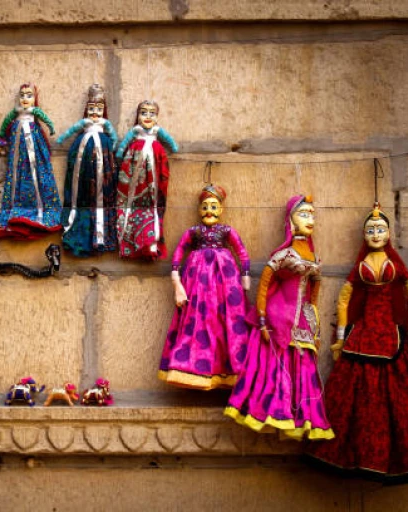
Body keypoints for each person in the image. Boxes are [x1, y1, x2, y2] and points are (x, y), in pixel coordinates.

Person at [305, 207, 408, 482]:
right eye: (370, 230)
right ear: (364, 235)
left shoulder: (396, 264)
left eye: (380, 230)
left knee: (398, 398)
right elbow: (344, 299)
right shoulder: (360, 266)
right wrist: (340, 339)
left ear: (389, 233)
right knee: (354, 397)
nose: (375, 234)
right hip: (362, 334)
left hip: (392, 335)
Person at [225, 195, 334, 441]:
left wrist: (314, 321)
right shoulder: (284, 254)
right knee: (276, 371)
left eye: (312, 214)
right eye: (304, 213)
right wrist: (262, 319)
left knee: (302, 368)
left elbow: (314, 290)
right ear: (291, 219)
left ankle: (298, 418)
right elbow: (264, 283)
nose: (310, 219)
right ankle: (274, 413)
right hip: (278, 319)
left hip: (303, 321)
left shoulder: (312, 255)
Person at [158, 185, 251, 390]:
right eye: (205, 207)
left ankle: (229, 370)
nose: (209, 211)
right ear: (200, 210)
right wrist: (176, 279)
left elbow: (242, 252)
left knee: (226, 320)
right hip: (197, 280)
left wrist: (245, 276)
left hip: (226, 280)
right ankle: (193, 368)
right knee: (197, 320)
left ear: (221, 210)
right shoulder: (193, 232)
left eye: (214, 206)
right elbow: (179, 252)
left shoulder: (227, 231)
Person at [0, 83, 61, 240]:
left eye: (29, 95)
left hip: (33, 148)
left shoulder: (35, 112)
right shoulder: (15, 113)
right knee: (15, 173)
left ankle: (40, 212)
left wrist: (51, 128)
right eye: (22, 95)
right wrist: (2, 137)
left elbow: (45, 119)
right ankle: (15, 212)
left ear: (34, 98)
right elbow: (5, 123)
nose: (24, 98)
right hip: (18, 150)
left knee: (37, 174)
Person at [56, 83, 118, 256]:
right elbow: (70, 131)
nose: (95, 112)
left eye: (99, 108)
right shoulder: (83, 125)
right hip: (82, 160)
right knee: (79, 192)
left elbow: (114, 137)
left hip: (103, 159)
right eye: (91, 108)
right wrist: (60, 139)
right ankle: (78, 228)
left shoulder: (105, 125)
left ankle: (101, 235)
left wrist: (116, 151)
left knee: (101, 194)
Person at [115, 100, 178, 260]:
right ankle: (129, 240)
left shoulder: (157, 132)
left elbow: (169, 141)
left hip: (155, 165)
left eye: (152, 113)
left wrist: (173, 147)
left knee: (155, 200)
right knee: (131, 201)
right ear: (138, 116)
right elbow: (124, 144)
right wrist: (120, 152)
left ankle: (151, 242)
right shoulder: (135, 132)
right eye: (144, 113)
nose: (148, 116)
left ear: (157, 117)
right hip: (135, 169)